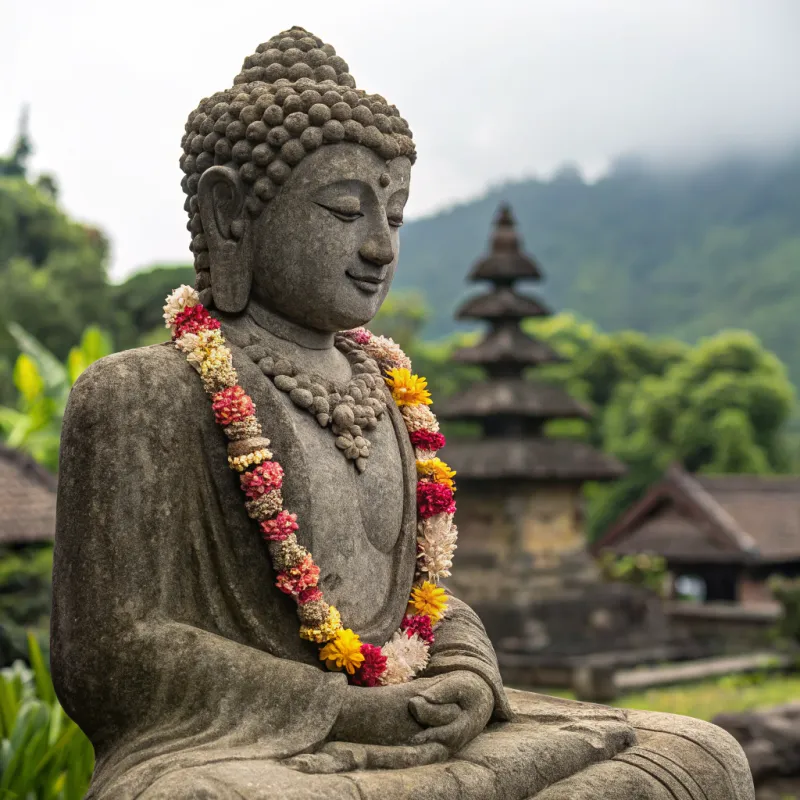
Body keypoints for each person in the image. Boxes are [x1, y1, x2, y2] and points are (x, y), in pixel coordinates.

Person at [51, 26, 754, 800]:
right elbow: (112, 655)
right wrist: (349, 712)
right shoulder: (142, 394)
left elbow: (409, 602)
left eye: (395, 214)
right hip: (248, 751)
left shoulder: (387, 387)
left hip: (410, 726)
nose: (381, 247)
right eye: (346, 210)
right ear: (230, 214)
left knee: (699, 753)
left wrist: (465, 671)